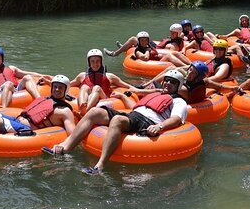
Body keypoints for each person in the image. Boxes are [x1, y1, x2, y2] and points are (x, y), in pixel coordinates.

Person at [42, 70, 188, 171]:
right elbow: (137, 107)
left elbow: (176, 119)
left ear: (178, 86)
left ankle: (100, 165)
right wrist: (124, 98)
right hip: (134, 115)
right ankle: (67, 147)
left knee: (118, 119)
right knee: (94, 112)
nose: (167, 83)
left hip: (148, 121)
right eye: (166, 80)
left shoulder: (179, 102)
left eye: (172, 82)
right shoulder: (156, 94)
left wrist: (160, 126)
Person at [70, 49, 138, 114]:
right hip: (88, 98)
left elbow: (126, 85)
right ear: (89, 63)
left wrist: (137, 90)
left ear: (101, 62)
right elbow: (68, 85)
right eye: (92, 61)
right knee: (84, 87)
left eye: (97, 61)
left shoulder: (110, 76)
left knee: (97, 88)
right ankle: (82, 108)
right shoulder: (82, 76)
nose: (95, 64)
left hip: (103, 98)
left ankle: (85, 112)